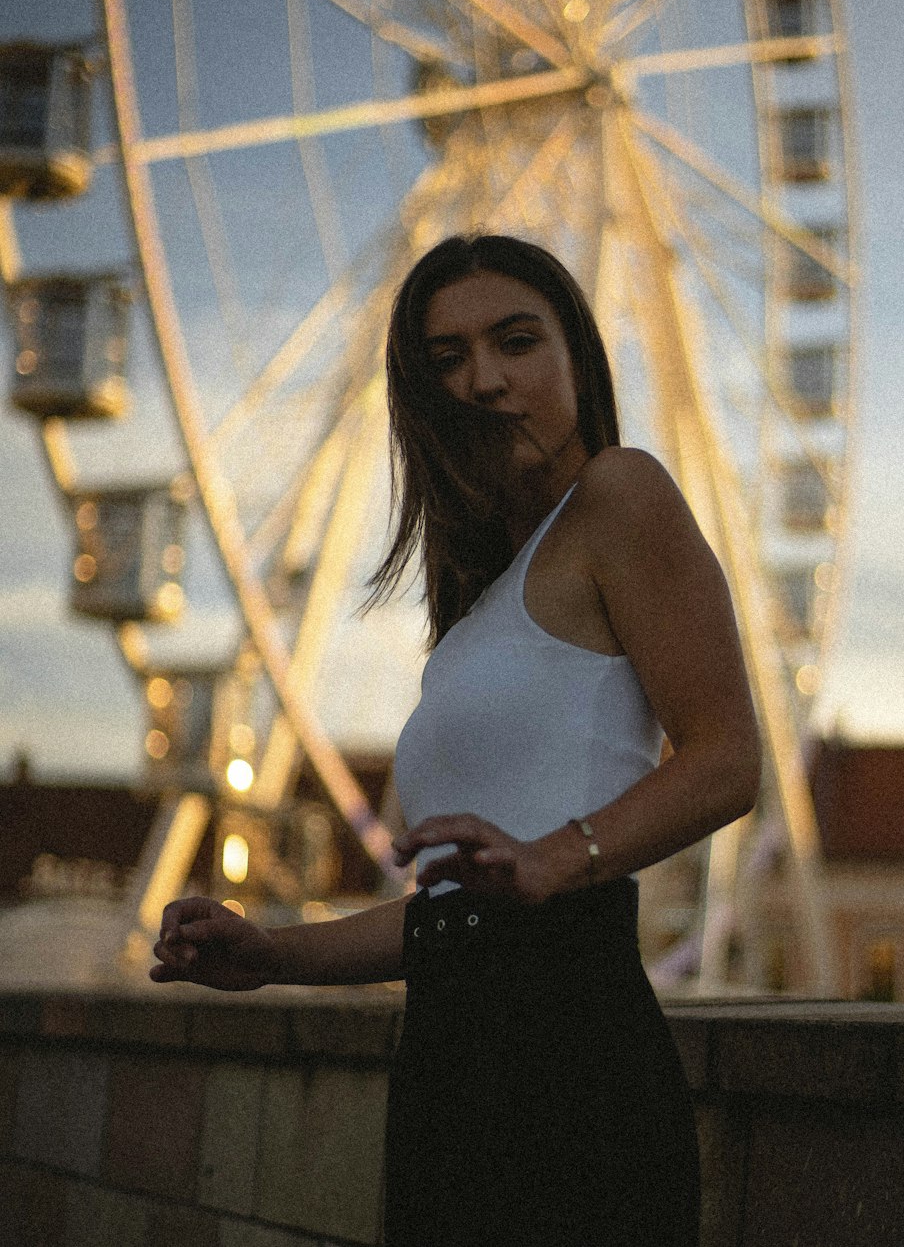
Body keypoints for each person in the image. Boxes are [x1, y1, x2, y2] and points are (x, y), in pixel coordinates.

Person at [150, 234, 762, 1246]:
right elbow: (449, 913)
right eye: (445, 360)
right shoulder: (473, 613)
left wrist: (557, 857)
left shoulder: (623, 495)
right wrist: (268, 954)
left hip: (570, 1044)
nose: (483, 379)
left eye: (517, 341)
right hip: (449, 1052)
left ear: (578, 358)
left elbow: (726, 758)